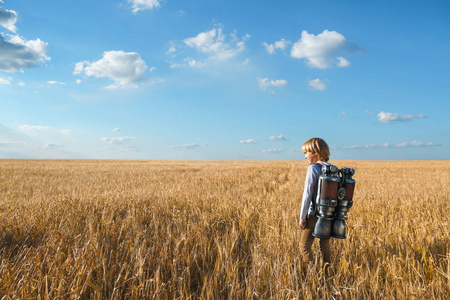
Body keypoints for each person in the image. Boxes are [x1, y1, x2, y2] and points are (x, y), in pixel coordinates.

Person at [298, 137, 332, 271]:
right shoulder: (332, 168)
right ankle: (328, 273)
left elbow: (307, 194)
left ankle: (312, 276)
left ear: (316, 153)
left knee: (304, 246)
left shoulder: (313, 168)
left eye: (306, 153)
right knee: (325, 246)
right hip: (329, 214)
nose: (305, 157)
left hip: (314, 214)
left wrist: (302, 216)